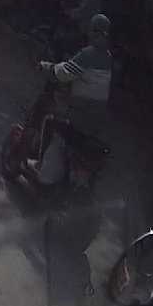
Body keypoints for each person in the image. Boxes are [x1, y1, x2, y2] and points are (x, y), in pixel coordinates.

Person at [27, 13, 114, 187]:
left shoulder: (88, 54)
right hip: (95, 120)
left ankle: (41, 167)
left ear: (93, 31)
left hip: (79, 115)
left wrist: (45, 66)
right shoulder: (108, 57)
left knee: (49, 121)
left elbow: (64, 73)